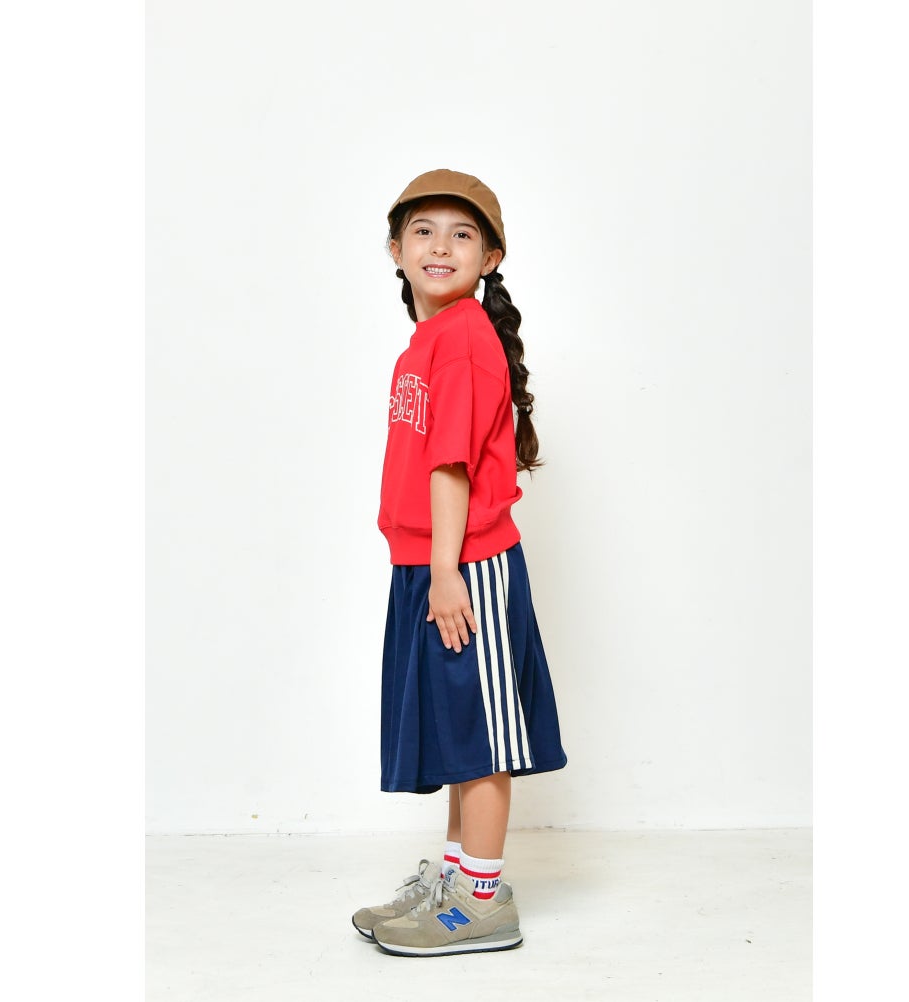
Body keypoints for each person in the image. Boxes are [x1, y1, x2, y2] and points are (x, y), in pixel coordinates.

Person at [352, 169, 567, 957]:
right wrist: (427, 568)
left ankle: (480, 903)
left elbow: (453, 467)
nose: (440, 246)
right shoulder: (429, 340)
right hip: (429, 563)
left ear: (491, 256)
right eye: (423, 230)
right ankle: (455, 880)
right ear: (395, 249)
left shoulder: (466, 337)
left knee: (480, 737)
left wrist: (446, 573)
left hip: (465, 566)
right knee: (455, 730)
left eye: (462, 233)